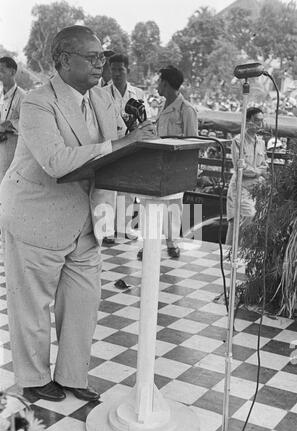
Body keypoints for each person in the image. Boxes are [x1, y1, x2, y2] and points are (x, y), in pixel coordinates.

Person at [0, 25, 155, 402]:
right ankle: (34, 379)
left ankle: (72, 376)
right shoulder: (38, 101)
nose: (101, 64)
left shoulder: (101, 99)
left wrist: (141, 137)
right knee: (33, 304)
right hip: (38, 214)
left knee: (84, 302)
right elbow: (56, 161)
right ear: (64, 60)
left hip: (87, 219)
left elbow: (118, 143)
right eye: (92, 57)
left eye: (103, 56)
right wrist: (122, 142)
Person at [137, 65, 198, 260]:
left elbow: (193, 142)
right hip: (157, 164)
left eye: (159, 81)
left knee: (173, 206)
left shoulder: (186, 109)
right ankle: (148, 243)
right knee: (150, 205)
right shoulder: (162, 107)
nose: (157, 86)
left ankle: (172, 243)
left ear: (165, 83)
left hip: (176, 166)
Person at [103, 53, 149, 245]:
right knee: (107, 190)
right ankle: (106, 230)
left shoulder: (137, 93)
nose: (116, 73)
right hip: (111, 144)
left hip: (131, 146)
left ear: (127, 70)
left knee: (128, 190)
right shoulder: (102, 92)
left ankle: (124, 228)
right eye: (113, 69)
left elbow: (145, 120)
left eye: (120, 69)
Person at [225, 107, 268, 246]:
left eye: (261, 121)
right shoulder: (238, 140)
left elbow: (265, 165)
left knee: (236, 223)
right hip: (240, 187)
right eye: (256, 120)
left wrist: (258, 171)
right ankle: (238, 254)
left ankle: (231, 256)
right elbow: (241, 168)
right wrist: (258, 171)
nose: (259, 124)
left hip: (255, 188)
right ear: (248, 121)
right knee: (247, 218)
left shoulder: (261, 142)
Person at [0, 57, 26, 182]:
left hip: (13, 151)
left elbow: (29, 124)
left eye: (1, 70)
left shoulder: (23, 97)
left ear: (12, 72)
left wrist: (11, 123)